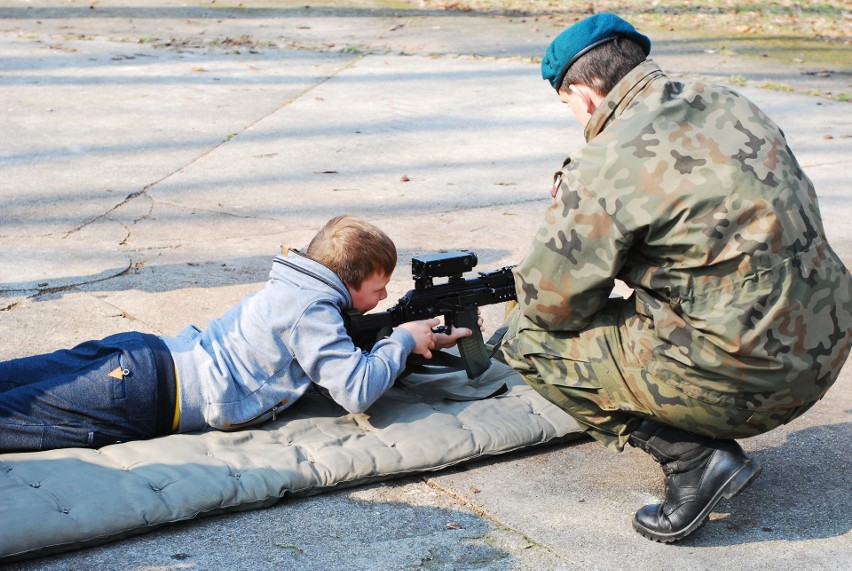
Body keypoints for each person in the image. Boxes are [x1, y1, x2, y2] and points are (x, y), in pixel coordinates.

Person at [498, 13, 852, 543]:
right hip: (827, 346)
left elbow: (553, 307)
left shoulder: (605, 162)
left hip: (752, 381)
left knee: (526, 335)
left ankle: (694, 460)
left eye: (569, 106)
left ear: (585, 96)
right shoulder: (731, 103)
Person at [0, 215, 473, 452]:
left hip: (144, 357)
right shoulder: (312, 308)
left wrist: (416, 337)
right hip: (148, 393)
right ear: (348, 282)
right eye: (378, 287)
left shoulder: (295, 282)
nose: (385, 293)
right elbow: (354, 390)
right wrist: (403, 341)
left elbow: (328, 350)